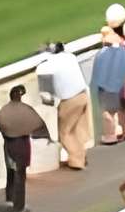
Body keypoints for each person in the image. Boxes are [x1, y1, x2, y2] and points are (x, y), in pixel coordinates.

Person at [37, 40, 92, 170]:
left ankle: (77, 160)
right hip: (83, 95)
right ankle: (81, 155)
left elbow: (46, 94)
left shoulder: (45, 67)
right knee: (77, 130)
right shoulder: (70, 57)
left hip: (69, 100)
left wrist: (50, 104)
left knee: (65, 133)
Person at [0, 83, 47, 212]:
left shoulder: (4, 111)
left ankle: (10, 198)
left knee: (11, 173)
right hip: (22, 146)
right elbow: (38, 123)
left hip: (9, 145)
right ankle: (19, 206)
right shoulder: (26, 109)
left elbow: (0, 124)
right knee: (20, 176)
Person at [89, 20, 125, 145]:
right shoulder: (122, 50)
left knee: (108, 112)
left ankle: (110, 135)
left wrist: (97, 87)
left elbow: (99, 73)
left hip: (108, 87)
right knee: (123, 107)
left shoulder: (102, 54)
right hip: (123, 84)